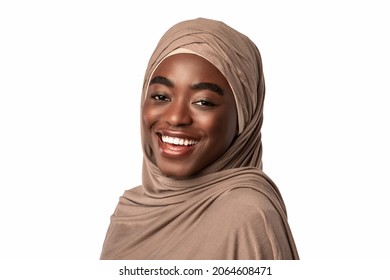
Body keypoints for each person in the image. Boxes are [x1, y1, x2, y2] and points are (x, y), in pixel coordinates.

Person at [100, 17, 299, 260]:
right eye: (161, 97)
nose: (175, 117)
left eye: (203, 102)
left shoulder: (247, 216)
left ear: (244, 118)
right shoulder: (130, 211)